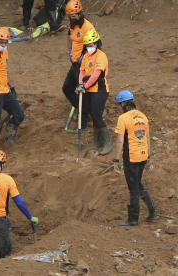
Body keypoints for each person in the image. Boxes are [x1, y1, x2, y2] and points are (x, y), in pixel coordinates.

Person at [113, 90, 157, 226]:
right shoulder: (143, 116)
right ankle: (152, 211)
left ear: (124, 104)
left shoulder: (123, 118)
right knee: (137, 184)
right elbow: (148, 138)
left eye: (120, 105)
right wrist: (148, 157)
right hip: (143, 156)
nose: (120, 108)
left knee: (133, 188)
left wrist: (116, 160)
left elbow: (120, 141)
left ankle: (133, 219)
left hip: (131, 157)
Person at [75, 30, 111, 155]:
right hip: (87, 90)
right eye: (87, 46)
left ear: (97, 44)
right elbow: (82, 72)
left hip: (99, 90)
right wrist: (80, 84)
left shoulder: (101, 56)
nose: (89, 48)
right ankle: (96, 142)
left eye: (91, 45)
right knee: (93, 115)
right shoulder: (85, 56)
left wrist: (84, 85)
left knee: (97, 115)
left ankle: (107, 143)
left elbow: (96, 74)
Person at [62, 0, 95, 133]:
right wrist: (70, 51)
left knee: (82, 92)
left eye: (74, 16)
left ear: (80, 13)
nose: (72, 19)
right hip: (75, 63)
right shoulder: (73, 25)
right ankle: (83, 110)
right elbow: (70, 37)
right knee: (67, 88)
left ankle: (83, 123)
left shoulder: (88, 27)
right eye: (70, 17)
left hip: (83, 66)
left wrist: (84, 57)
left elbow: (95, 46)